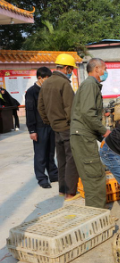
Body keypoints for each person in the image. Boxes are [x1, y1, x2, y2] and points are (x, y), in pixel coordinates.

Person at [71, 58, 111, 209]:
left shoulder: (90, 84)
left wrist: (101, 136)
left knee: (92, 174)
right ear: (97, 69)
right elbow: (88, 114)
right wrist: (105, 132)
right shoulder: (90, 85)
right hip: (83, 136)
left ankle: (95, 214)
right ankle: (97, 216)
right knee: (94, 176)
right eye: (104, 69)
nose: (105, 72)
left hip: (84, 134)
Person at [38, 53, 79, 199]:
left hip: (55, 128)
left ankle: (62, 190)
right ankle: (70, 192)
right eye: (71, 70)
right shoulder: (64, 84)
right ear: (66, 68)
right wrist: (73, 126)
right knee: (72, 160)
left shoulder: (47, 82)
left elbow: (41, 106)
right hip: (67, 128)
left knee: (61, 160)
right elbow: (70, 108)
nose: (71, 72)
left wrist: (49, 121)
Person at [25, 67, 58, 188]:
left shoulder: (49, 90)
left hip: (50, 126)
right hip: (39, 127)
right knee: (40, 154)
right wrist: (32, 130)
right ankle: (42, 178)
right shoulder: (32, 92)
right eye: (47, 79)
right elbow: (30, 112)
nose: (49, 81)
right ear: (40, 78)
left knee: (50, 152)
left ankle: (53, 174)